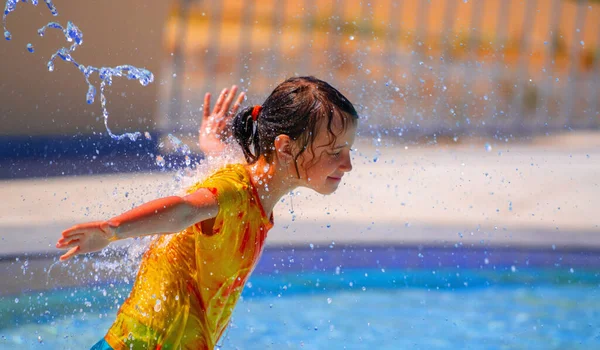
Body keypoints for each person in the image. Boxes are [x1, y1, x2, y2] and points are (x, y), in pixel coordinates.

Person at [56, 76, 359, 350]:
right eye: (335, 152)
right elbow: (184, 210)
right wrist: (113, 231)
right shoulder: (237, 193)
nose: (347, 164)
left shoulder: (251, 186)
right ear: (285, 147)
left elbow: (219, 164)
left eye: (347, 151)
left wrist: (211, 141)